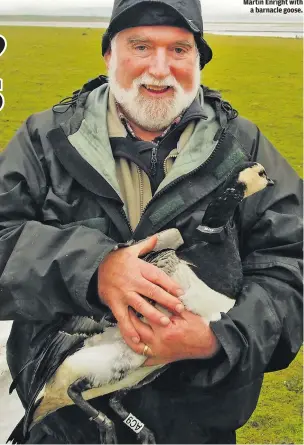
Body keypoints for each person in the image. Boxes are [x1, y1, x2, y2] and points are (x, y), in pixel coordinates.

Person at [0, 0, 302, 443]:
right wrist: (94, 270)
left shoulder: (244, 147)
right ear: (109, 55)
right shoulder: (45, 141)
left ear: (198, 59)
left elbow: (292, 266)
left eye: (179, 49)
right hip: (59, 430)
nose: (160, 69)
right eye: (140, 46)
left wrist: (221, 340)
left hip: (196, 429)